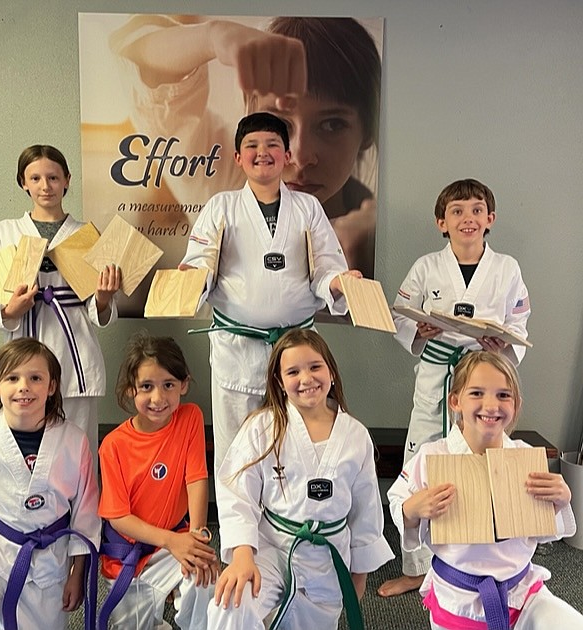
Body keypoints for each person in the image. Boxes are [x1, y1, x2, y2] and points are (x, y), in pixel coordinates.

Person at [106, 15, 381, 277]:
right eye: (279, 125)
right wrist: (211, 36)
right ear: (250, 108)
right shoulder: (219, 178)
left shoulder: (381, 233)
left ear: (368, 129)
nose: (299, 155)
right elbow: (144, 65)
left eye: (332, 125)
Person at [178, 112, 358, 472]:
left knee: (296, 443)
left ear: (287, 155)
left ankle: (287, 524)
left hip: (297, 349)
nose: (263, 152)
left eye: (273, 144)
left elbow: (324, 264)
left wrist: (338, 283)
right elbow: (200, 262)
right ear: (238, 157)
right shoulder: (221, 207)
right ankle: (237, 529)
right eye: (252, 146)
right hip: (238, 348)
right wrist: (192, 278)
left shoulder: (308, 207)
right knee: (237, 450)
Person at [381, 178, 531, 597]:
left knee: (483, 464)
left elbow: (520, 320)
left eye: (476, 209)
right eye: (458, 211)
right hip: (437, 377)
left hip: (484, 383)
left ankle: (479, 559)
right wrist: (421, 329)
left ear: (490, 219)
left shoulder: (507, 269)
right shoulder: (427, 267)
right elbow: (400, 312)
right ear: (441, 223)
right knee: (425, 463)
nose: (468, 218)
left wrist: (502, 343)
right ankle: (417, 569)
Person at [207, 329, 394, 630]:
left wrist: (357, 577)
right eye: (293, 372)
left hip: (326, 560)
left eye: (315, 367)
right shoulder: (263, 427)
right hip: (273, 547)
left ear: (331, 372)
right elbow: (236, 492)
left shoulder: (355, 435)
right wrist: (242, 554)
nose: (306, 379)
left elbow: (366, 512)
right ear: (280, 383)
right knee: (229, 605)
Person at [387, 351, 582, 628]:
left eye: (503, 395)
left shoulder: (524, 457)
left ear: (516, 405)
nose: (491, 405)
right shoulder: (433, 457)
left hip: (523, 592)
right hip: (459, 596)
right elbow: (397, 500)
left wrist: (561, 499)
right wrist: (413, 508)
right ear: (455, 401)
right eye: (477, 393)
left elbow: (542, 529)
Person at [0, 144, 121, 461]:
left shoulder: (86, 235)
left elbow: (99, 311)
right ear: (23, 182)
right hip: (24, 342)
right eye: (35, 178)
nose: (45, 186)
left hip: (74, 349)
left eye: (53, 177)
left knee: (78, 451)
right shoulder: (5, 232)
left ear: (67, 180)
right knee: (23, 445)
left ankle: (81, 511)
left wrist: (104, 298)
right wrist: (9, 311)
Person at [0, 338, 100, 630]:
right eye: (12, 378)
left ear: (52, 386)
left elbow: (85, 513)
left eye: (35, 378)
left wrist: (78, 572)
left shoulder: (74, 441)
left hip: (46, 561)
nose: (23, 386)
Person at [98, 331, 219, 629]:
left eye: (168, 385)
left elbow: (197, 479)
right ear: (130, 390)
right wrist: (173, 541)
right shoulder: (113, 446)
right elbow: (119, 518)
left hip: (176, 541)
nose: (158, 398)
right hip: (131, 558)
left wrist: (197, 537)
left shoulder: (189, 418)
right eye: (147, 387)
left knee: (204, 575)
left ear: (184, 384)